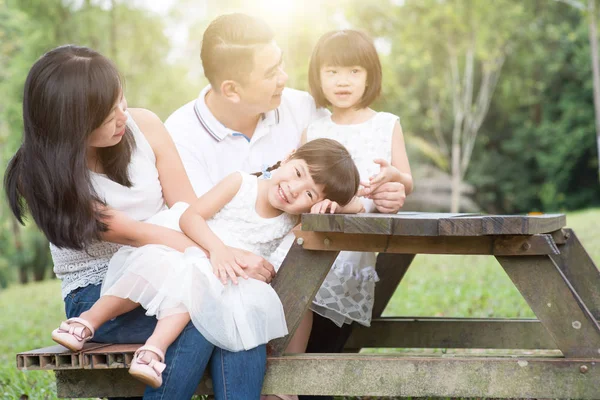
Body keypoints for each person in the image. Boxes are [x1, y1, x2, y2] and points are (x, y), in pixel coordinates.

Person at [3, 44, 273, 399]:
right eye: (107, 111)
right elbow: (137, 234)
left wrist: (221, 255)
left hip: (174, 267)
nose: (122, 115)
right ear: (70, 121)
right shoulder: (40, 176)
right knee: (208, 314)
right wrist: (223, 256)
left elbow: (188, 211)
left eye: (121, 100)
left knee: (239, 307)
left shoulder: (143, 124)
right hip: (101, 297)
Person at [50, 138, 361, 390]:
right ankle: (87, 322)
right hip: (194, 248)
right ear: (289, 155)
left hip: (225, 277)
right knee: (158, 277)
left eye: (309, 193)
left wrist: (333, 205)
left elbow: (355, 204)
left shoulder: (292, 217)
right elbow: (190, 217)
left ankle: (152, 351)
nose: (295, 189)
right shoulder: (240, 183)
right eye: (298, 173)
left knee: (226, 310)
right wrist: (217, 251)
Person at [300, 29, 413, 340]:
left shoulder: (386, 124)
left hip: (355, 250)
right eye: (332, 71)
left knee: (328, 338)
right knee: (299, 324)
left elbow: (406, 180)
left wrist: (395, 181)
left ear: (369, 76)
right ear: (318, 76)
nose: (342, 80)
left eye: (353, 71)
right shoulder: (314, 129)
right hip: (312, 246)